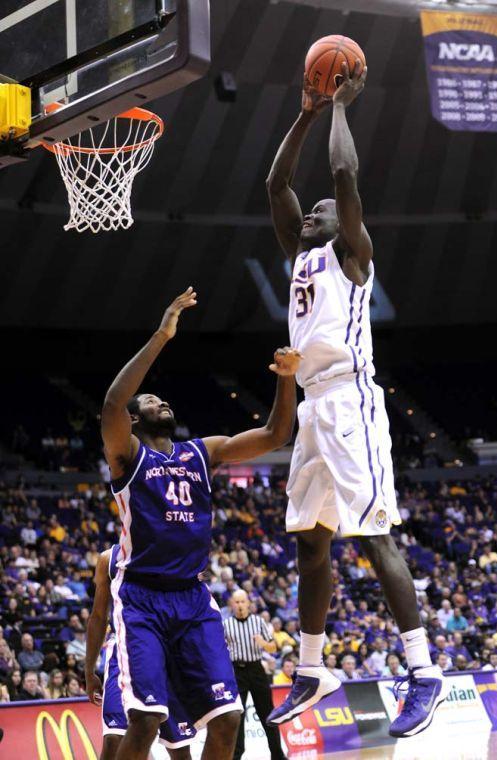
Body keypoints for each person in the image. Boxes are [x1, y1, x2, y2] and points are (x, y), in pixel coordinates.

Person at [265, 63, 446, 737]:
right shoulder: (301, 257)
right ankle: (312, 669)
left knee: (372, 538)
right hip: (311, 408)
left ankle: (423, 672)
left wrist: (340, 107)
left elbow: (342, 178)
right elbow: (276, 183)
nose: (310, 210)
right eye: (309, 214)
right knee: (311, 546)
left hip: (349, 404)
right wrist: (306, 112)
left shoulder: (351, 255)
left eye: (322, 211)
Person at [99, 287, 300, 760]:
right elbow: (111, 403)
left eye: (163, 398)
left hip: (192, 597)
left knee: (228, 720)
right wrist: (163, 334)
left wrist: (287, 380)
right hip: (142, 598)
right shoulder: (126, 453)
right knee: (147, 719)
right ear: (134, 418)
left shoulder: (201, 451)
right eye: (150, 400)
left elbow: (275, 434)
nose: (160, 402)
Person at [86, 546, 195, 760]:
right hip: (125, 649)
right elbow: (98, 616)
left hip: (169, 651)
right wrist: (89, 670)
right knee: (113, 740)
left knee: (179, 747)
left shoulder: (176, 549)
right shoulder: (108, 559)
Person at [223, 590, 285, 760]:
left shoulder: (258, 622)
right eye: (236, 602)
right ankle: (236, 755)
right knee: (237, 716)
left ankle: (277, 755)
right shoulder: (226, 624)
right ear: (232, 604)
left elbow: (273, 647)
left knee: (267, 713)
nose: (240, 605)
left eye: (243, 601)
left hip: (256, 669)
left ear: (248, 603)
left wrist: (263, 643)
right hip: (236, 672)